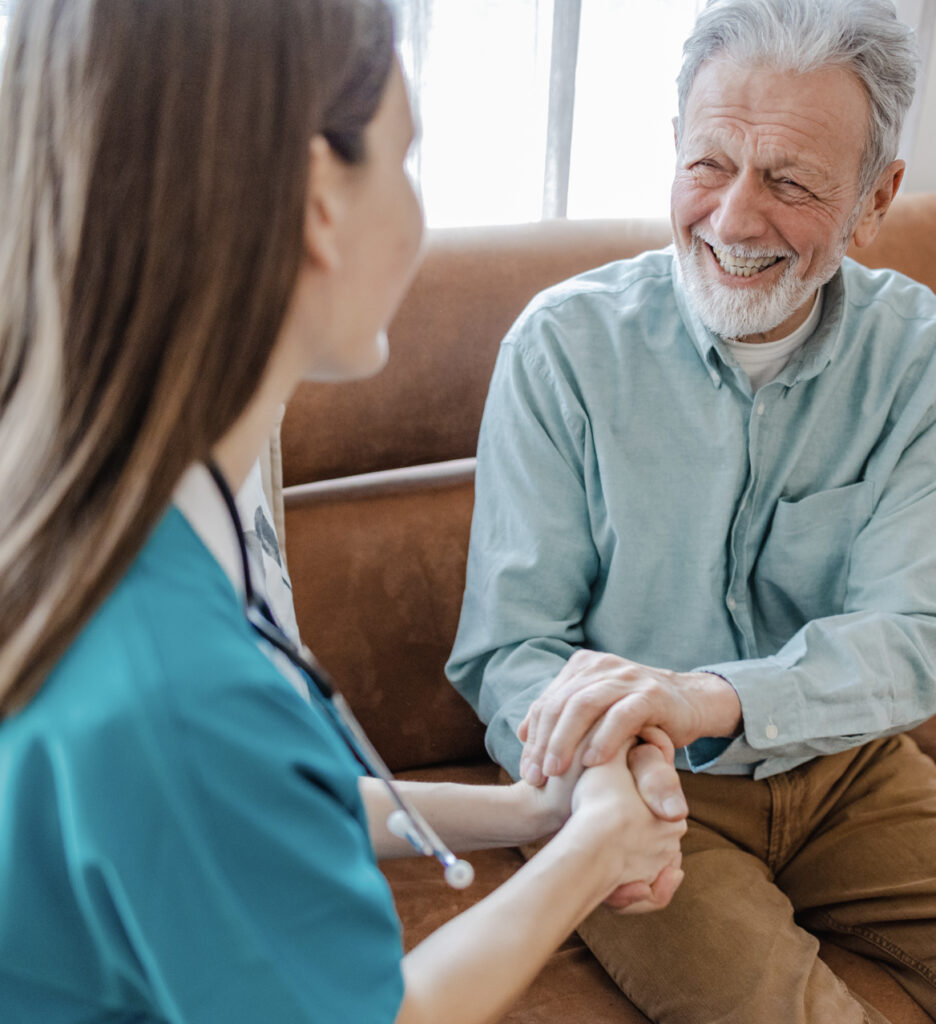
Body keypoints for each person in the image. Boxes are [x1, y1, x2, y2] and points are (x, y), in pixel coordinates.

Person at [0, 2, 689, 1022]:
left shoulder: (99, 511)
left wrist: (529, 808)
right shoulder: (175, 685)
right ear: (321, 198)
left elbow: (244, 810)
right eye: (406, 160)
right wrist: (593, 851)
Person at [447, 0, 936, 1020]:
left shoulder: (919, 359)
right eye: (710, 163)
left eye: (792, 181)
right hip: (639, 781)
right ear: (673, 145)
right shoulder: (562, 350)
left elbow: (913, 632)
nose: (735, 218)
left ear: (876, 198)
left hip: (848, 764)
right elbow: (513, 649)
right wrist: (612, 757)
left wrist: (712, 694)